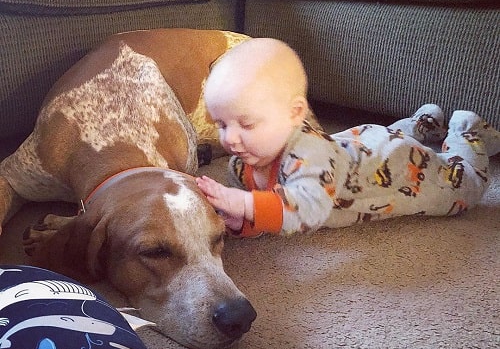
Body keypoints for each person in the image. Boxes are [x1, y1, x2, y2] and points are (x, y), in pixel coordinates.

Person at [196, 38, 500, 237]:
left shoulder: (311, 157)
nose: (231, 139)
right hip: (363, 142)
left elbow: (305, 210)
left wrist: (244, 202)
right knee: (380, 138)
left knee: (464, 191)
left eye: (246, 124)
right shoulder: (242, 163)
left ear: (294, 113)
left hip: (400, 167)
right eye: (221, 124)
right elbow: (270, 212)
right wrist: (241, 220)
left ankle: (465, 129)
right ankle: (422, 122)